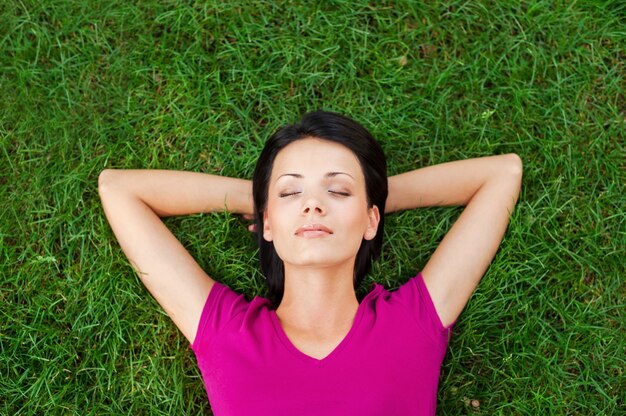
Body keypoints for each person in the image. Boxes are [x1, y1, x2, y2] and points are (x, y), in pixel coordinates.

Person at [98, 111, 522, 415]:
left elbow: (503, 173)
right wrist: (265, 198)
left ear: (372, 219)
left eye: (336, 191)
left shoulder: (411, 326)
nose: (313, 205)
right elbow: (118, 189)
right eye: (290, 193)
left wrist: (370, 201)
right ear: (267, 222)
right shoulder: (228, 334)